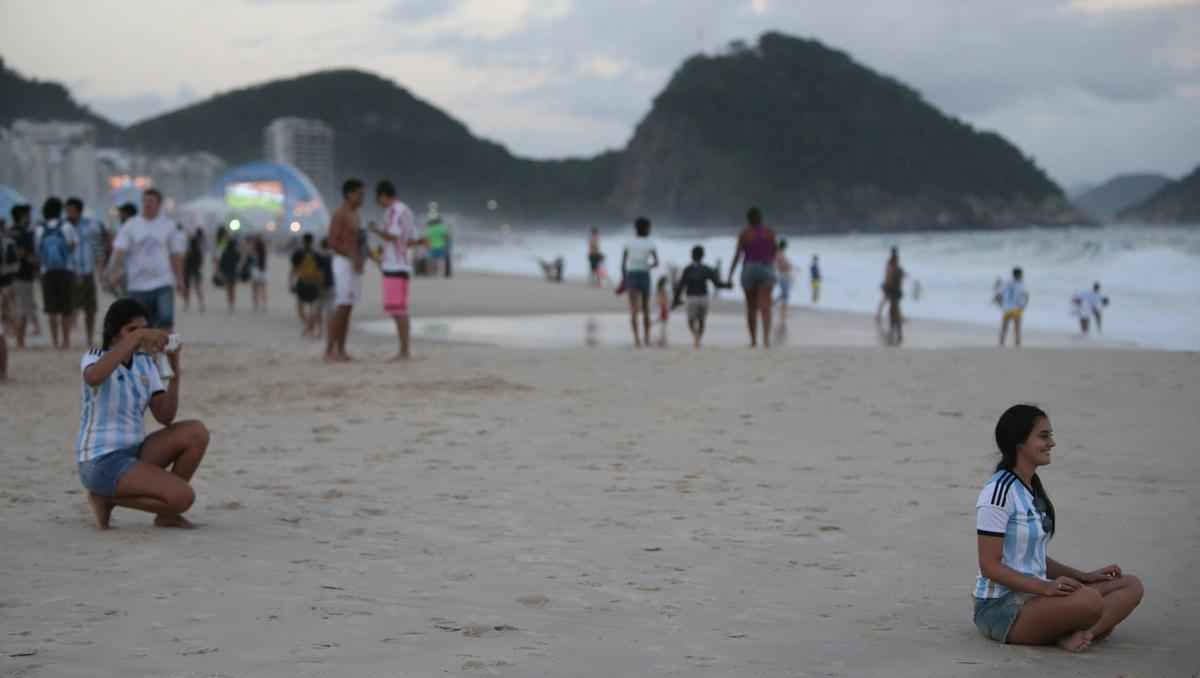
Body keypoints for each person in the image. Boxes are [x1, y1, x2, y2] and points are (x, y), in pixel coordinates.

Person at [974, 404, 1143, 651]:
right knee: (1090, 601)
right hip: (1001, 609)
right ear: (1019, 443)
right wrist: (1045, 587)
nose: (1051, 443)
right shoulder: (998, 492)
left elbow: (1031, 556)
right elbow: (990, 566)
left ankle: (1081, 634)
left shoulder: (1030, 487)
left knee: (1130, 585)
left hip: (1037, 596)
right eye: (1044, 436)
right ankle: (1068, 633)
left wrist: (1083, 576)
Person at [76, 298, 210, 529]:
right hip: (101, 460)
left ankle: (165, 515)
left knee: (196, 432)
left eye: (144, 329)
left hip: (134, 452)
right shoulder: (95, 356)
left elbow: (165, 416)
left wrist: (174, 367)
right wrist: (138, 337)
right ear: (114, 332)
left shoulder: (145, 363)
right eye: (131, 329)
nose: (140, 335)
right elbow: (94, 377)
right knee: (183, 497)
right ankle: (105, 497)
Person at [107, 189, 184, 332]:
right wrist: (115, 272)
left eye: (151, 201)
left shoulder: (168, 225)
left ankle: (164, 345)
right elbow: (119, 251)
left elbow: (175, 254)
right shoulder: (131, 225)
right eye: (145, 201)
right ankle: (146, 346)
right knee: (140, 323)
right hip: (138, 285)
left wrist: (179, 279)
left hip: (163, 282)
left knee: (166, 319)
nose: (147, 204)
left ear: (159, 204)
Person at [369, 180, 427, 362]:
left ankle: (404, 350)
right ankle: (404, 349)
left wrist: (376, 230)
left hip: (395, 265)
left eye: (377, 198)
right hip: (403, 264)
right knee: (399, 308)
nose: (377, 202)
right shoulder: (406, 210)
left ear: (382, 195)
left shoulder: (394, 211)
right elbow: (412, 240)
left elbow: (393, 236)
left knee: (397, 309)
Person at [326, 179, 365, 362]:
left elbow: (359, 241)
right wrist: (350, 255)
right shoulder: (340, 214)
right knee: (342, 306)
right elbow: (332, 242)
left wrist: (362, 258)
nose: (362, 197)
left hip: (354, 263)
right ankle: (330, 349)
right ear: (349, 194)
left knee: (349, 307)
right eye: (359, 194)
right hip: (342, 262)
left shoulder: (356, 214)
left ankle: (341, 348)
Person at [728, 207, 778, 348]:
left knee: (751, 306)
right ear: (761, 218)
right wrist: (769, 263)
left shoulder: (744, 234)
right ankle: (766, 340)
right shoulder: (770, 232)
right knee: (765, 306)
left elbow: (738, 255)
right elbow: (774, 251)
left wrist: (730, 275)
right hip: (766, 267)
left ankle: (753, 340)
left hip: (749, 268)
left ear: (748, 219)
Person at [35, 197, 79, 350]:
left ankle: (54, 341)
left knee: (51, 309)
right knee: (66, 308)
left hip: (47, 271)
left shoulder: (40, 228)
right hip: (65, 270)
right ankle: (66, 341)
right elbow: (72, 247)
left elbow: (38, 251)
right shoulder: (67, 226)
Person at [64, 198, 107, 347]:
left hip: (88, 271)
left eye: (70, 210)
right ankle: (66, 339)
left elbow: (98, 249)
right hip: (70, 272)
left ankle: (89, 338)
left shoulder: (91, 226)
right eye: (67, 210)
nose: (68, 213)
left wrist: (100, 272)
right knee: (69, 307)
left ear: (78, 211)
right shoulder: (64, 226)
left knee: (90, 309)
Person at [671, 245, 731, 348]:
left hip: (691, 298)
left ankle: (696, 337)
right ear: (703, 256)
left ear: (691, 255)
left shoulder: (688, 269)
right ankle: (698, 339)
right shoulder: (706, 269)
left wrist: (675, 300)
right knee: (701, 320)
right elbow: (717, 284)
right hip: (703, 297)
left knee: (690, 320)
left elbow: (681, 286)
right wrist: (727, 285)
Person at [620, 216, 659, 348]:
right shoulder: (650, 243)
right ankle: (647, 338)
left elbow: (623, 264)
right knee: (646, 308)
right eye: (649, 228)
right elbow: (656, 262)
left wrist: (624, 279)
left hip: (631, 275)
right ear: (646, 228)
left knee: (633, 309)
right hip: (644, 274)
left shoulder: (628, 242)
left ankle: (636, 339)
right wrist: (647, 266)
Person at [7, 204, 36, 349]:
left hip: (7, 276)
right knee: (22, 309)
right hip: (24, 274)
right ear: (23, 216)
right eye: (28, 215)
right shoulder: (25, 233)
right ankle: (20, 341)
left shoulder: (7, 231)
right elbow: (28, 254)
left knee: (14, 307)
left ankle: (18, 339)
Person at [290, 233, 324, 337]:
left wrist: (291, 282)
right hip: (314, 283)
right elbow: (321, 272)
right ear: (312, 241)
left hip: (303, 282)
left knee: (300, 309)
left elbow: (293, 270)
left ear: (303, 241)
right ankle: (313, 327)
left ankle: (309, 326)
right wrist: (321, 284)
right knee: (314, 308)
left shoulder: (298, 253)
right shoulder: (317, 254)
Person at [998, 268, 1029, 348]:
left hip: (1007, 308)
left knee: (1004, 327)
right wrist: (1024, 305)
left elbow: (999, 295)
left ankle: (1001, 343)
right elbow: (1026, 295)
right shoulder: (1021, 284)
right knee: (1017, 328)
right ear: (1019, 275)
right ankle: (1017, 344)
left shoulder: (1007, 283)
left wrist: (1001, 304)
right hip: (1016, 308)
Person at [214, 226, 242, 313]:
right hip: (233, 268)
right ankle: (232, 303)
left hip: (226, 269)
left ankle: (230, 304)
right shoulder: (232, 246)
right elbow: (238, 258)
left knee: (229, 287)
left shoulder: (221, 244)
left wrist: (217, 270)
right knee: (232, 288)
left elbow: (218, 258)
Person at [182, 228, 206, 313]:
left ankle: (187, 304)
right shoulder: (198, 249)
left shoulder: (188, 250)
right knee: (197, 288)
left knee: (188, 288)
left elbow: (184, 260)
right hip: (195, 269)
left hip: (189, 269)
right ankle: (200, 304)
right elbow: (201, 261)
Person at [775, 238, 794, 321]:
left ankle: (782, 311)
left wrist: (790, 266)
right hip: (784, 276)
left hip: (784, 275)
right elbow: (783, 265)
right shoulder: (779, 254)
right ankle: (782, 312)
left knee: (784, 294)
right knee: (785, 294)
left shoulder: (779, 253)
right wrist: (789, 266)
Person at [250, 236, 268, 312]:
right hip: (263, 270)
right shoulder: (264, 250)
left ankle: (256, 305)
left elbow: (252, 258)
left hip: (256, 270)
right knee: (263, 289)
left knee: (255, 289)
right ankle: (264, 305)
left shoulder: (254, 250)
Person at [655, 275, 671, 347]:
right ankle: (662, 340)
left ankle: (662, 339)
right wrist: (665, 308)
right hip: (663, 307)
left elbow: (661, 300)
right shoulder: (662, 290)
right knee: (663, 325)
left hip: (662, 307)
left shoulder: (659, 289)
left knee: (662, 325)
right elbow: (663, 300)